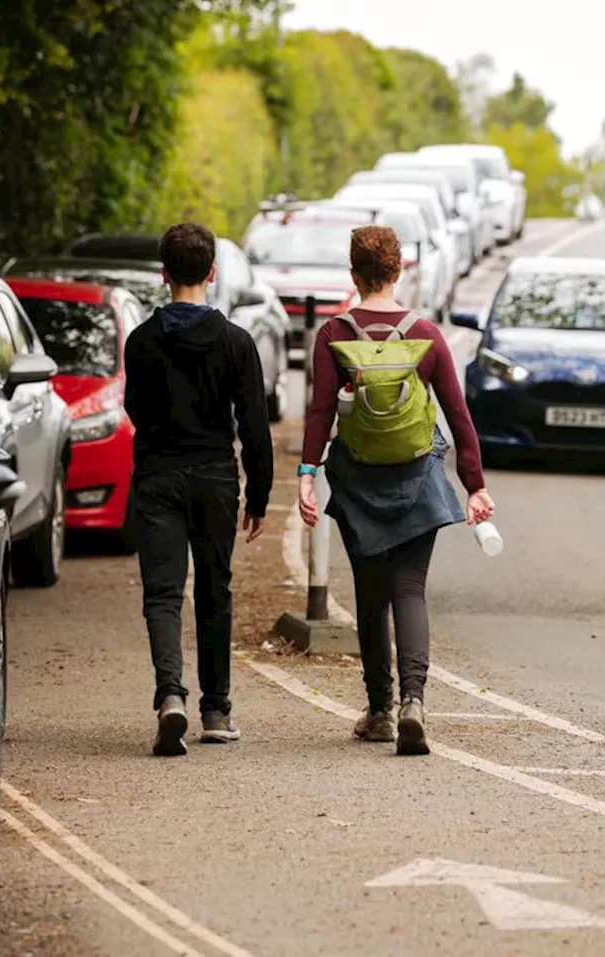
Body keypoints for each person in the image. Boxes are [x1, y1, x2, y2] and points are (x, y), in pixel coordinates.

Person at [298, 225, 494, 756]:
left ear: (354, 274)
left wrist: (307, 474)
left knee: (371, 594)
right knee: (410, 589)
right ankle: (414, 702)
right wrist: (474, 487)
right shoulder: (425, 335)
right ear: (399, 269)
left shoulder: (334, 334)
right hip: (418, 482)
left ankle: (380, 711)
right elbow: (458, 415)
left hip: (360, 482)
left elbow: (320, 411)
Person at [123, 222, 274, 757]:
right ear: (212, 273)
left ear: (164, 275)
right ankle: (216, 711)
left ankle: (170, 697)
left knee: (163, 593)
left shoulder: (141, 341)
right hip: (214, 478)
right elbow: (255, 424)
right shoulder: (236, 342)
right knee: (215, 589)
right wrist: (259, 495)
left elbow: (135, 410)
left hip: (158, 475)